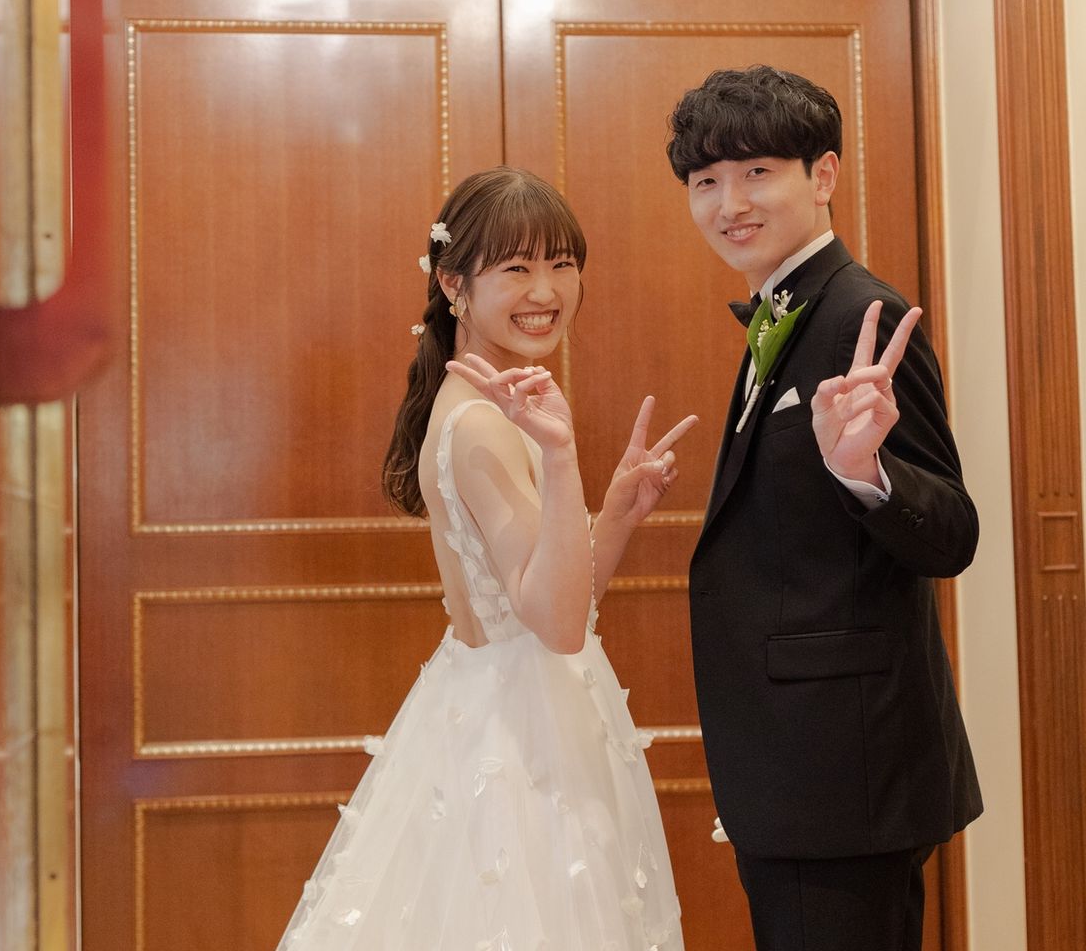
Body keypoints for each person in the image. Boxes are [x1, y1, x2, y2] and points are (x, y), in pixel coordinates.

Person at [276, 166, 697, 951]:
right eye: (517, 267)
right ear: (454, 284)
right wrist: (564, 460)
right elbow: (558, 626)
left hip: (509, 702)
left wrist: (614, 514)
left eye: (562, 264)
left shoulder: (483, 405)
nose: (546, 290)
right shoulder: (482, 424)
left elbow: (557, 602)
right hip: (518, 740)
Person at [665, 65, 982, 951]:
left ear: (825, 174)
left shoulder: (859, 315)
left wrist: (865, 472)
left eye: (757, 172)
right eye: (706, 181)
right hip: (807, 767)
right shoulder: (786, 308)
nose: (730, 203)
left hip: (844, 771)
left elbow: (951, 533)